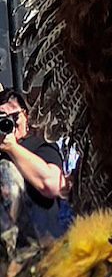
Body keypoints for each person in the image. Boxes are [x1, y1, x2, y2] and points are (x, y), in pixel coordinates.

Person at [0, 89, 66, 244]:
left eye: (14, 117)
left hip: (44, 248)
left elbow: (52, 184)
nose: (9, 123)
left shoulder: (40, 146)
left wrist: (11, 147)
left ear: (26, 116)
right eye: (2, 118)